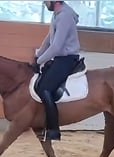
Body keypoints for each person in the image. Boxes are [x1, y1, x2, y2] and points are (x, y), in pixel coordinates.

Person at [32, 1, 81, 141]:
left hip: (67, 59)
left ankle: (53, 129)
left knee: (44, 88)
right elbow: (49, 39)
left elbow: (56, 47)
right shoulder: (56, 15)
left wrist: (39, 61)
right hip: (60, 59)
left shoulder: (65, 16)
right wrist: (37, 55)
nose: (43, 2)